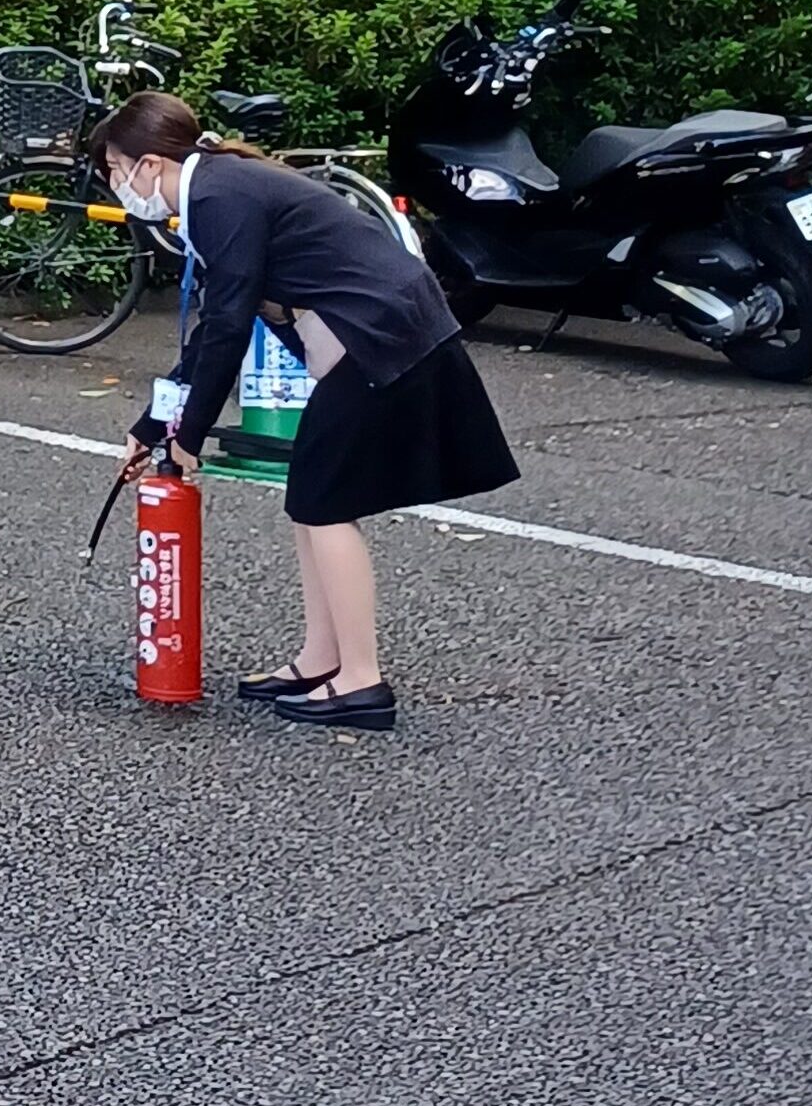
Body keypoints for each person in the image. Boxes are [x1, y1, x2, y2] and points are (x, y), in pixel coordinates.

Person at [93, 91, 521, 730]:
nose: (116, 184)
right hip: (380, 331)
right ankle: (322, 660)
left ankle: (362, 682)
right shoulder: (218, 187)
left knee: (324, 503)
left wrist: (188, 437)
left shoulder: (217, 197)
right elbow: (215, 330)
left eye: (114, 169)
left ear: (149, 163)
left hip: (381, 337)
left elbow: (229, 324)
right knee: (314, 499)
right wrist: (151, 427)